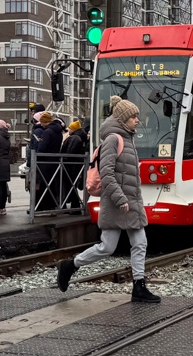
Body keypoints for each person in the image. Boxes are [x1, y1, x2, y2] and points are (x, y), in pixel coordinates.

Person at [57, 96, 160, 303]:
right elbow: (107, 173)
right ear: (123, 119)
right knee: (107, 247)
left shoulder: (128, 138)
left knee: (140, 243)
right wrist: (121, 198)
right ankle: (70, 265)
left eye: (137, 116)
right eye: (133, 116)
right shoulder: (114, 139)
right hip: (117, 202)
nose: (137, 120)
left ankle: (139, 286)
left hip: (131, 202)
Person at [36, 112, 64, 211]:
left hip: (45, 161)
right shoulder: (59, 132)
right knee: (52, 184)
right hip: (55, 161)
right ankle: (52, 205)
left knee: (45, 184)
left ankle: (45, 206)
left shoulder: (47, 132)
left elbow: (42, 147)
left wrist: (39, 145)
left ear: (44, 122)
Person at [59, 120, 88, 212]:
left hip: (71, 166)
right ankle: (75, 206)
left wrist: (65, 160)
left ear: (74, 129)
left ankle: (75, 207)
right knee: (72, 186)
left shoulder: (75, 138)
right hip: (75, 165)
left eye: (70, 128)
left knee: (71, 186)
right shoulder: (79, 137)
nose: (69, 130)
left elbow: (70, 152)